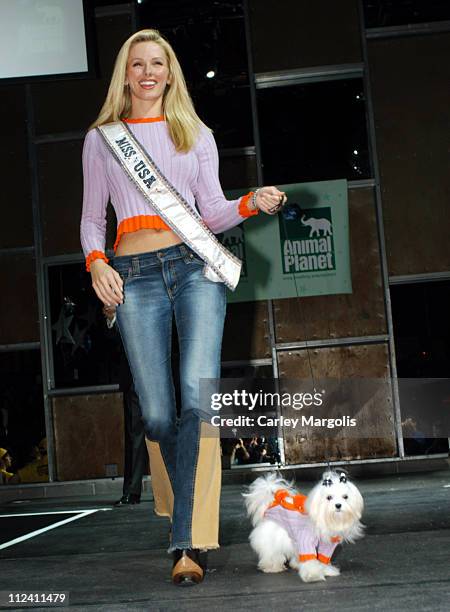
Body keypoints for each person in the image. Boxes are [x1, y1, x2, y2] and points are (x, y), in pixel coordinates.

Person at [80, 28, 286, 586]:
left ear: (170, 73)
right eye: (137, 64)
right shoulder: (103, 140)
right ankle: (184, 515)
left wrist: (251, 202)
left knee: (198, 405)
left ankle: (184, 543)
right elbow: (91, 218)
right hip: (134, 276)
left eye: (158, 63)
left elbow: (212, 212)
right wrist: (97, 262)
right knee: (157, 416)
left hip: (196, 271)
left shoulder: (195, 133)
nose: (148, 72)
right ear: (125, 73)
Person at [103, 305, 148, 506]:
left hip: (163, 377)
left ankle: (175, 490)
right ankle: (132, 491)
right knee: (134, 436)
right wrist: (112, 317)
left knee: (168, 432)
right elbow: (113, 344)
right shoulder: (123, 290)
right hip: (133, 380)